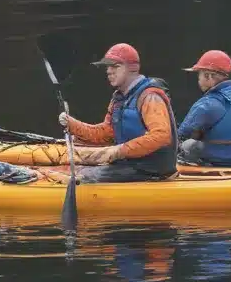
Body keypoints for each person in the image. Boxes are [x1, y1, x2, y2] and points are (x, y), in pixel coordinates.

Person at [58, 43, 178, 182]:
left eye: (115, 66)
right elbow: (105, 133)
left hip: (152, 170)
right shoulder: (118, 98)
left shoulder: (150, 96)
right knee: (77, 169)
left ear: (132, 68)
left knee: (82, 176)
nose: (109, 71)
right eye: (108, 67)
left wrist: (120, 151)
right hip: (130, 165)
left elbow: (161, 135)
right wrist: (72, 125)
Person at [176, 50, 231, 167]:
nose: (198, 79)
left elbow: (180, 134)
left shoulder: (207, 104)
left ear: (208, 76)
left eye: (199, 74)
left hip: (219, 160)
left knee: (187, 145)